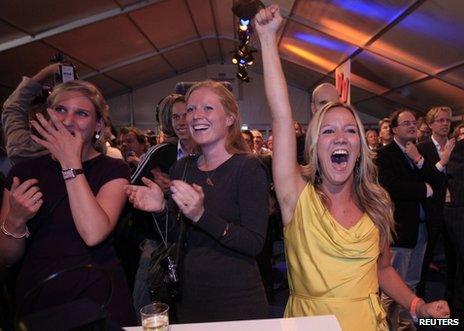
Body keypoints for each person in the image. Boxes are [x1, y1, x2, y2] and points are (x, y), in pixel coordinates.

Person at [254, 5, 449, 331]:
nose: (340, 137)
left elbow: (382, 269)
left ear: (360, 149)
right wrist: (267, 39)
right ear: (315, 147)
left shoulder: (377, 204)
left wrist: (418, 304)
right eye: (328, 130)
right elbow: (282, 116)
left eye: (349, 130)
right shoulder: (295, 198)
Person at [125, 80, 269, 323]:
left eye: (207, 108)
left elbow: (254, 242)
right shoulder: (182, 167)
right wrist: (160, 209)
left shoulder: (247, 167)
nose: (195, 116)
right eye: (191, 109)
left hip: (237, 301)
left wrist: (202, 216)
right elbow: (177, 236)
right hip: (190, 299)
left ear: (230, 119)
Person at [0, 80, 136, 327]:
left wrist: (69, 164)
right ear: (49, 116)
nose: (68, 120)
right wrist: (15, 220)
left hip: (97, 298)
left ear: (98, 126)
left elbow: (93, 233)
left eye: (81, 113)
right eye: (61, 110)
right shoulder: (23, 170)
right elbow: (6, 257)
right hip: (39, 300)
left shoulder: (114, 169)